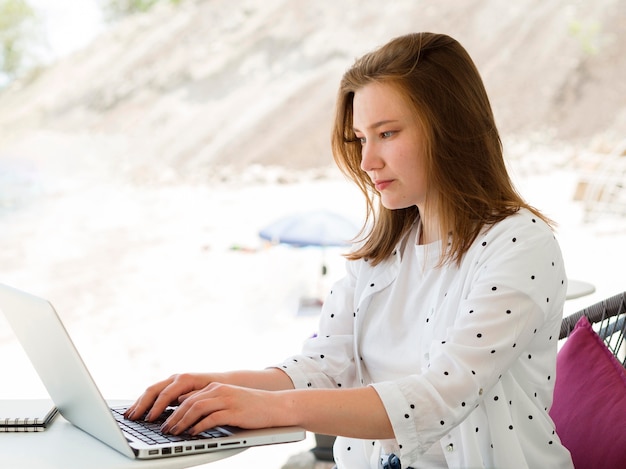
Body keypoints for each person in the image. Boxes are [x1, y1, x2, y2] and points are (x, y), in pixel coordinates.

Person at [126, 32, 574, 468]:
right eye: (361, 138)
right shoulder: (383, 254)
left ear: (450, 127)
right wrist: (217, 386)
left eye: (387, 133)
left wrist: (274, 409)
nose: (367, 161)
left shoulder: (519, 245)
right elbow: (324, 365)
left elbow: (441, 395)